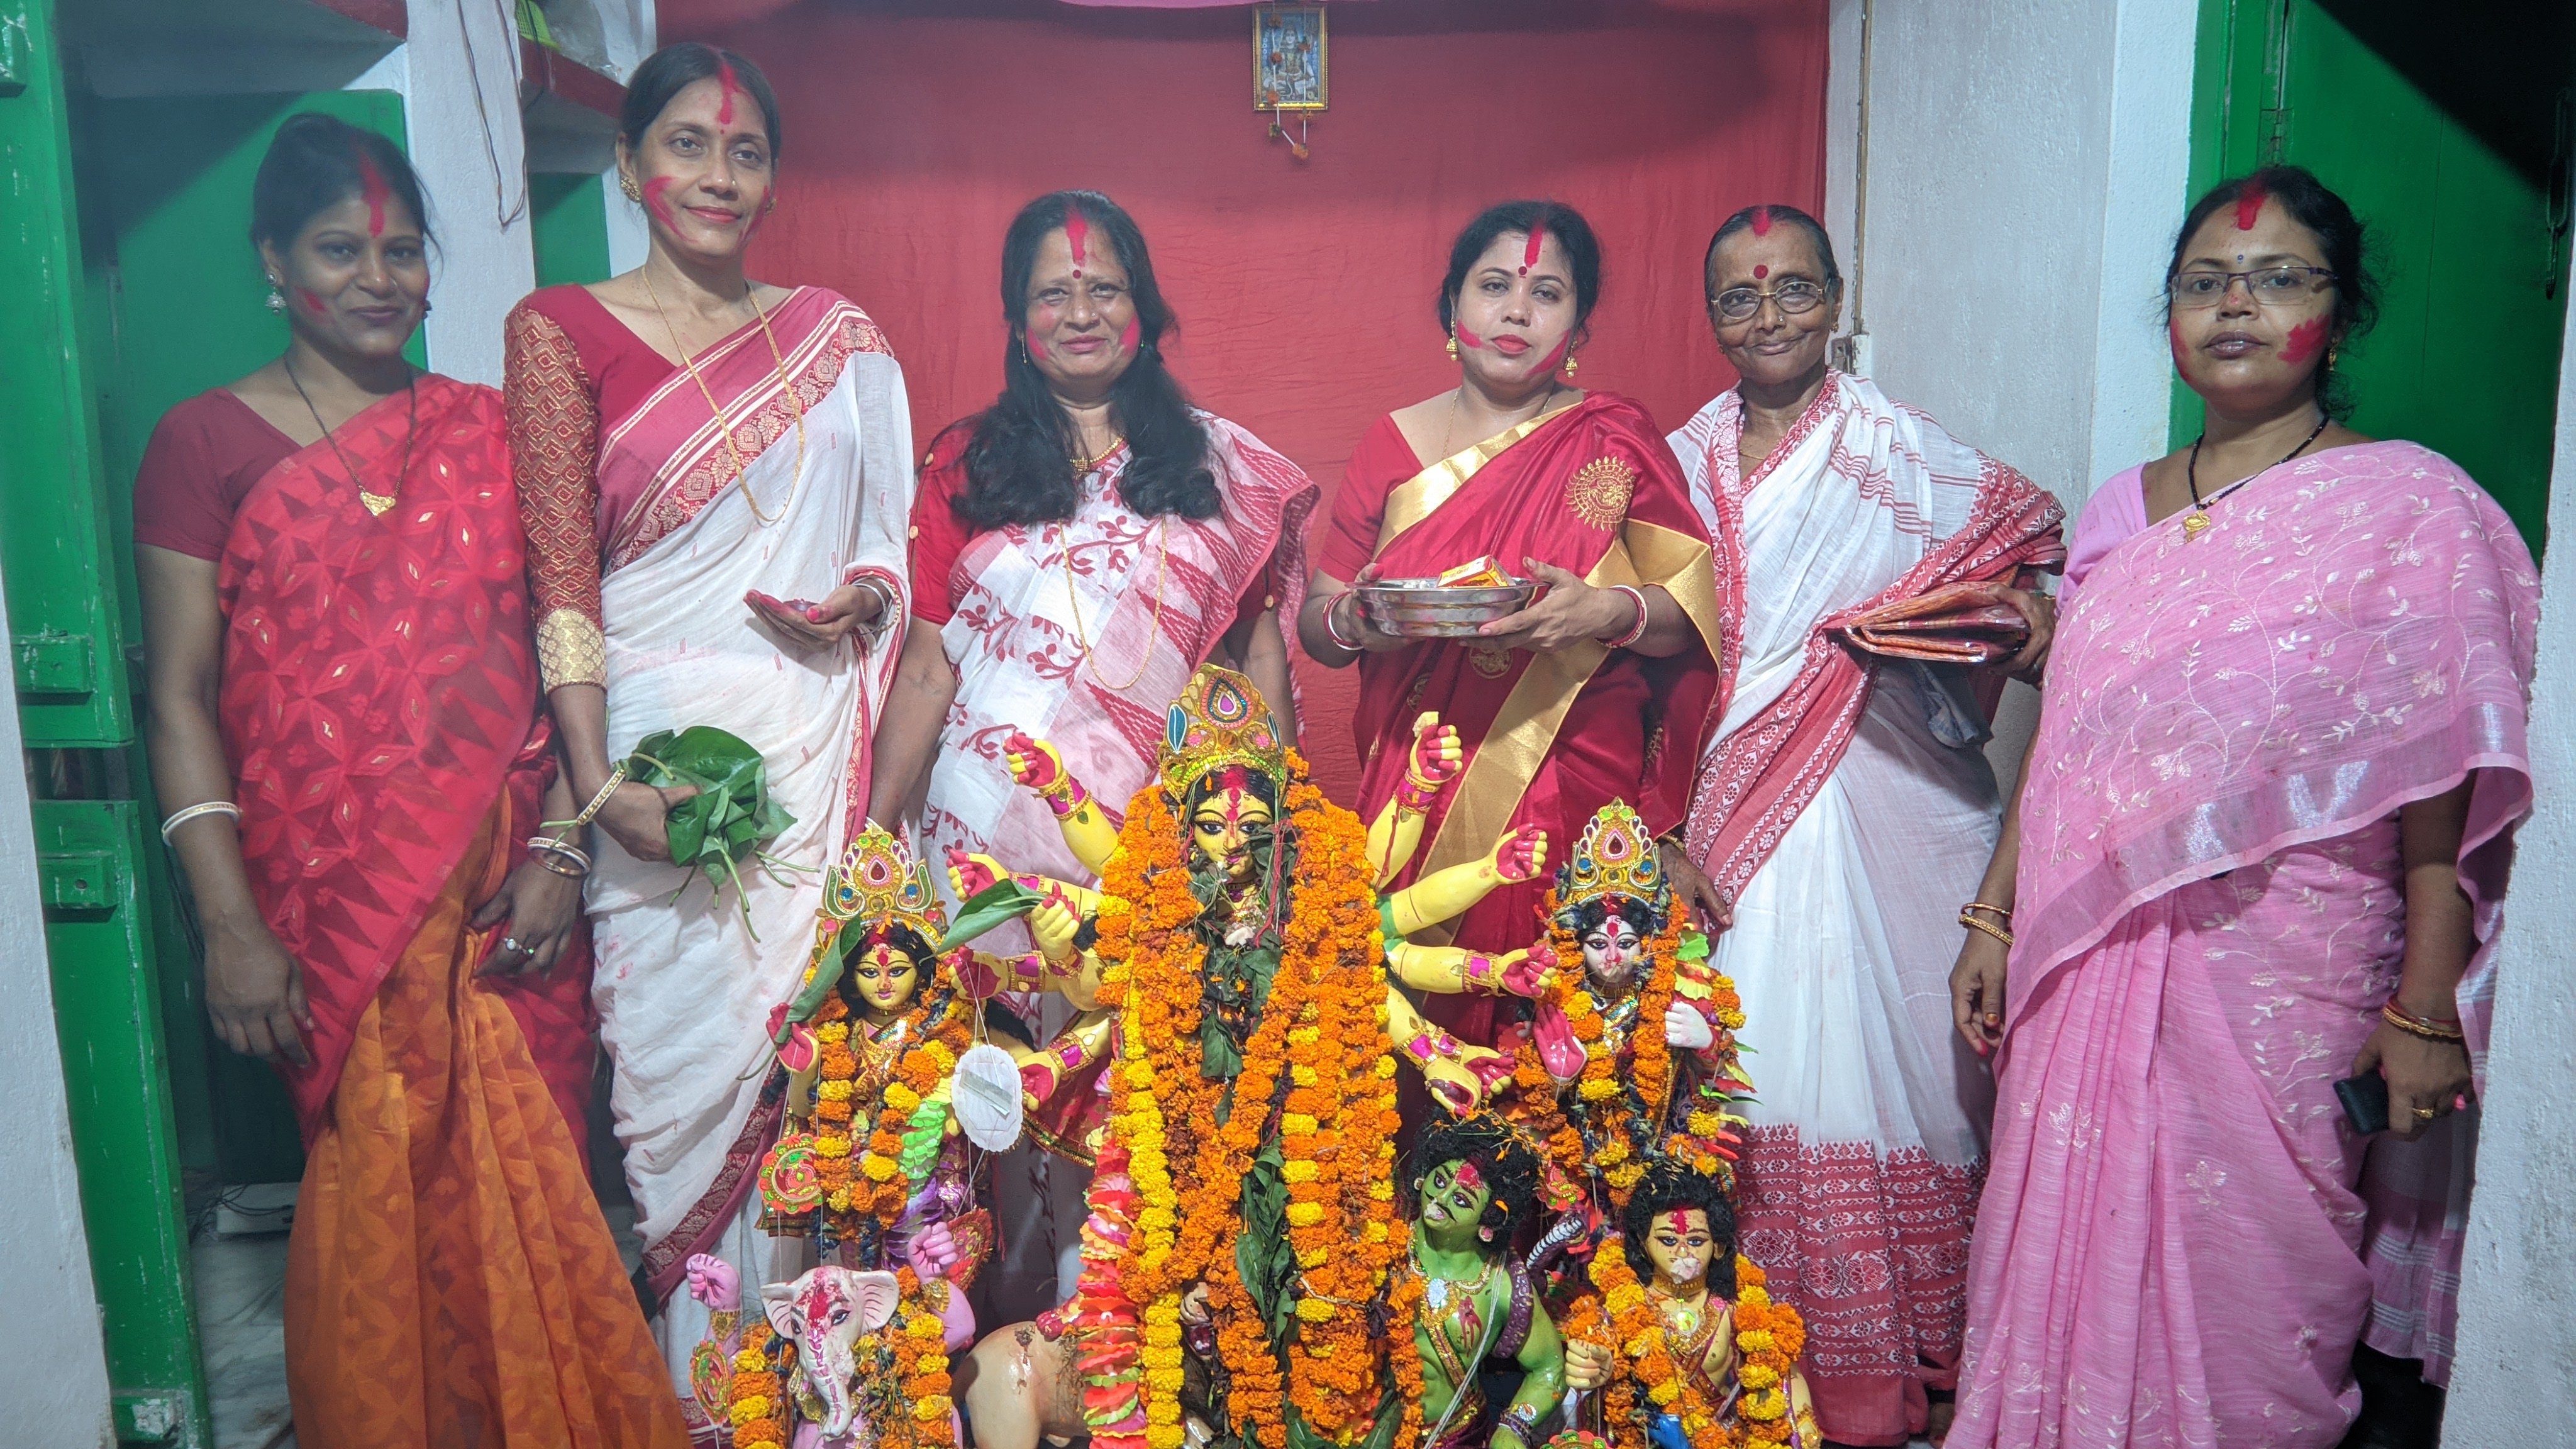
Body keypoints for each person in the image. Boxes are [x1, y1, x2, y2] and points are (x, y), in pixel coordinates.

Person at [1946, 165, 2538, 1448]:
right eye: (2204, 282)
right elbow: (2073, 744)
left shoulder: (2408, 510)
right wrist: (1992, 915)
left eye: (2279, 280)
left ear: (2343, 309)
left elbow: (2437, 781)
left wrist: (2424, 1010)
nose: (2235, 306)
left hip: (2286, 962)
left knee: (2260, 1278)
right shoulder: (2122, 509)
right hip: (2086, 950)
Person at [134, 114, 684, 1445]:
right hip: (334, 905)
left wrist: (562, 849)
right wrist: (228, 925)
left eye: (401, 253)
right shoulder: (202, 444)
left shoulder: (495, 432)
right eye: (339, 251)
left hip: (509, 895)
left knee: (534, 1175)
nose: (378, 280)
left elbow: (571, 643)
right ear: (273, 262)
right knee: (382, 1170)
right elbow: (179, 696)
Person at [501, 41, 916, 1416]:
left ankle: (840, 1404)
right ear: (630, 166)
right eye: (686, 145)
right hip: (652, 762)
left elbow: (887, 542)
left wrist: (862, 598)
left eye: (744, 153)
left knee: (833, 1073)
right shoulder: (559, 328)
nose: (717, 175)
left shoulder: (837, 337)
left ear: (774, 179)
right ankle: (708, 1402)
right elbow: (562, 585)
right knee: (683, 1090)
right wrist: (594, 792)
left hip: (811, 732)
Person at [865, 189, 1316, 1320]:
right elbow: (927, 663)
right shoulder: (966, 462)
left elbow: (1258, 657)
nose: (1080, 312)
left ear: (1144, 307)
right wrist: (870, 841)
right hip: (976, 840)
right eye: (1052, 293)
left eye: (1104, 288)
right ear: (1016, 319)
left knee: (1123, 1116)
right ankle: (985, 1355)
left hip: (1140, 854)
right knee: (979, 1099)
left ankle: (1111, 1353)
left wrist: (1274, 837)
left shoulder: (1215, 469)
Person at [1667, 204, 2065, 1448]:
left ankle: (1908, 1353)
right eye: (1739, 295)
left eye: (1794, 288)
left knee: (1910, 1068)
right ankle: (1747, 1357)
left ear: (1836, 299)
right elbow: (1647, 659)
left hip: (1891, 792)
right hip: (1731, 806)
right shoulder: (1678, 463)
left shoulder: (1900, 452)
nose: (1768, 314)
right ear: (1710, 316)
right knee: (1759, 1058)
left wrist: (1998, 623)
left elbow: (2026, 566)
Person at [1299, 199, 1724, 1062]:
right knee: (1408, 1016)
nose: (1517, 311)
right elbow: (1318, 623)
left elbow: (1688, 616)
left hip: (1577, 763)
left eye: (1547, 293)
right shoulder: (1394, 444)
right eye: (1494, 286)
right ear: (1451, 307)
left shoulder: (1613, 438)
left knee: (1576, 1013)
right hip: (1421, 771)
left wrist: (1604, 611)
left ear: (1580, 327)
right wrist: (1363, 620)